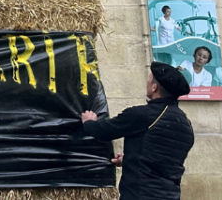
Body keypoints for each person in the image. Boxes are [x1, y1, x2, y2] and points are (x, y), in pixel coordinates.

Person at [80, 62, 194, 200]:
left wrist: (89, 121)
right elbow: (163, 159)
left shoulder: (142, 115)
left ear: (154, 87)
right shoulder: (186, 124)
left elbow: (103, 131)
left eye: (149, 79)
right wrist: (130, 158)